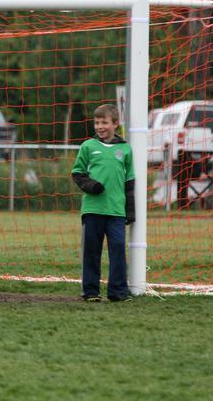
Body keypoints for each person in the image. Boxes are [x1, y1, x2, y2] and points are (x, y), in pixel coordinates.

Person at [71, 104, 135, 302]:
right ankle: (90, 291)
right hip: (92, 209)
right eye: (97, 122)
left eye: (104, 122)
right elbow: (77, 173)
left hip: (116, 211)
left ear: (115, 124)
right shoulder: (88, 146)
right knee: (91, 251)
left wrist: (130, 211)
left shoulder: (125, 149)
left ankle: (118, 292)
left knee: (118, 249)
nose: (100, 126)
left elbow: (129, 182)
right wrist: (92, 186)